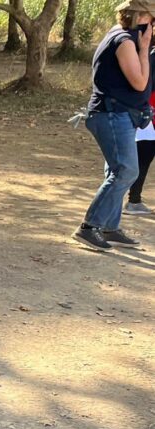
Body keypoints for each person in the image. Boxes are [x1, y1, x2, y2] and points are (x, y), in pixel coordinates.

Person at [76, 0, 154, 249]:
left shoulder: (122, 37)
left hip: (118, 114)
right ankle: (89, 227)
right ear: (142, 17)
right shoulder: (124, 41)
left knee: (116, 170)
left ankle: (109, 227)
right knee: (127, 171)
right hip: (111, 114)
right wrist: (144, 49)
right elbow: (140, 83)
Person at [128, 87, 155, 214]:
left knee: (143, 160)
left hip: (145, 109)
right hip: (147, 114)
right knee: (143, 159)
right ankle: (133, 201)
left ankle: (134, 201)